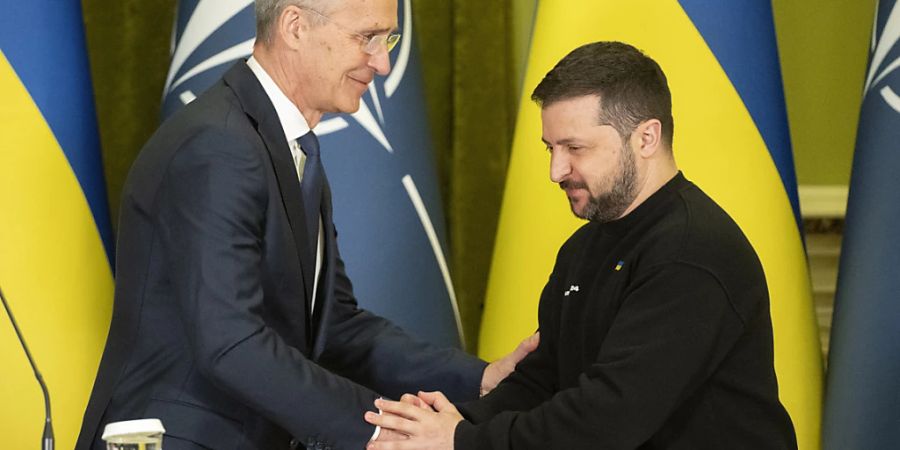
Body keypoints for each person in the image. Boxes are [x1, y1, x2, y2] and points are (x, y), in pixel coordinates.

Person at [74, 1, 536, 449]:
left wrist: (480, 378)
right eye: (367, 37)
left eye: (388, 38)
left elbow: (334, 329)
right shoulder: (220, 145)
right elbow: (231, 343)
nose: (383, 62)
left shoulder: (285, 146)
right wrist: (380, 429)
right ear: (295, 27)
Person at [365, 41, 798, 449]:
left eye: (575, 148)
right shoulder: (583, 247)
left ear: (646, 138)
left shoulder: (692, 253)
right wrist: (442, 424)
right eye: (550, 148)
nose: (556, 170)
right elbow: (543, 379)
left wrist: (461, 441)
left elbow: (610, 418)